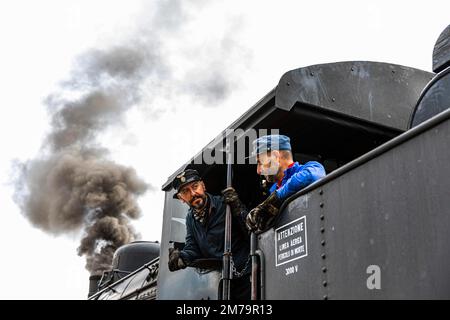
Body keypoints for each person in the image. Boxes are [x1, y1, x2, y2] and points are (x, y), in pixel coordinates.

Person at [167, 169, 251, 300]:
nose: (193, 193)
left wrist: (237, 207)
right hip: (221, 280)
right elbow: (192, 247)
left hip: (245, 276)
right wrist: (182, 258)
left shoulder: (225, 205)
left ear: (203, 186)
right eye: (186, 192)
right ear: (181, 198)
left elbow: (250, 230)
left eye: (195, 187)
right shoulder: (190, 219)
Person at [246, 134, 326, 232]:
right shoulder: (272, 191)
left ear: (275, 156)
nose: (258, 171)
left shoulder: (312, 168)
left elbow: (312, 176)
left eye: (260, 162)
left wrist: (277, 197)